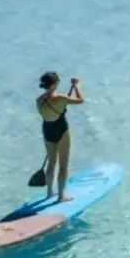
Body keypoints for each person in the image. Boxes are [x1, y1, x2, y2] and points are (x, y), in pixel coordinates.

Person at [36, 72, 84, 201]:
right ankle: (61, 196)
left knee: (51, 163)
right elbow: (80, 100)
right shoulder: (61, 98)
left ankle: (49, 193)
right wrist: (76, 86)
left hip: (47, 130)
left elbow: (49, 114)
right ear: (54, 84)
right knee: (63, 164)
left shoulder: (38, 101)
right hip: (61, 130)